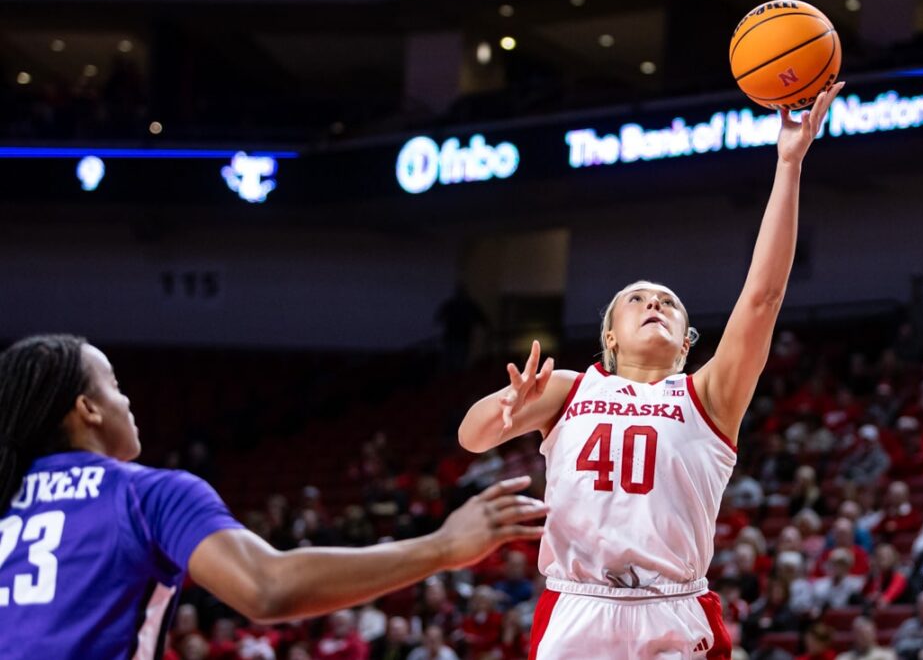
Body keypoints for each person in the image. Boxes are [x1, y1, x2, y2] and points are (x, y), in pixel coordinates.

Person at [458, 84, 845, 659]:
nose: (654, 304)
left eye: (668, 302)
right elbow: (472, 438)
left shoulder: (709, 395)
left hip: (673, 607)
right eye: (637, 299)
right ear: (609, 336)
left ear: (687, 343)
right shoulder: (567, 387)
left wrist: (789, 164)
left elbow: (763, 298)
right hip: (577, 604)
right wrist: (504, 409)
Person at [0, 334, 548, 660]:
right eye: (114, 385)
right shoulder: (146, 492)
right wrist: (442, 546)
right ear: (87, 410)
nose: (127, 400)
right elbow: (267, 589)